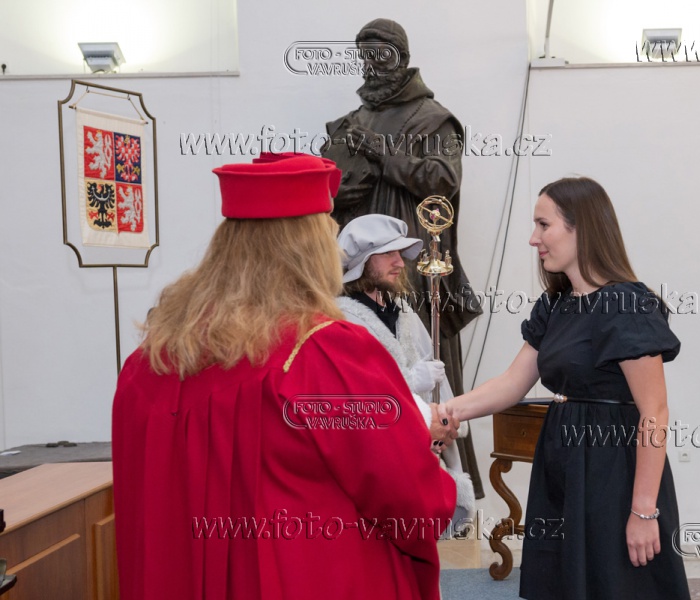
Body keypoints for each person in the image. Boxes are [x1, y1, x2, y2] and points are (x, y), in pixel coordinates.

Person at [112, 152, 457, 600]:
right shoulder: (323, 352)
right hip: (309, 578)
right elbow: (410, 496)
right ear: (311, 251)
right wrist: (426, 446)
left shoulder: (150, 361)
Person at [441, 177, 691, 599]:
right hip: (562, 465)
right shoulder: (555, 305)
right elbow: (512, 383)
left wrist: (643, 511)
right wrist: (445, 412)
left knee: (616, 584)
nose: (533, 238)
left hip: (614, 471)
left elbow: (654, 413)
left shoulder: (626, 304)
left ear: (582, 228)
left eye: (544, 225)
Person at [322, 18, 484, 497]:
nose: (371, 65)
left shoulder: (433, 119)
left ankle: (441, 487)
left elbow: (443, 182)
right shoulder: (348, 123)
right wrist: (345, 189)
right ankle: (365, 481)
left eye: (381, 55)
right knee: (357, 368)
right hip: (352, 271)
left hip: (411, 264)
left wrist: (383, 154)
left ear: (402, 57)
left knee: (423, 361)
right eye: (364, 56)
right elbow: (327, 189)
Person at [336, 214, 475, 533]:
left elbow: (434, 374)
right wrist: (411, 381)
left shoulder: (402, 312)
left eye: (399, 253)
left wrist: (446, 421)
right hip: (377, 461)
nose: (400, 262)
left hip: (422, 448)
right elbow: (357, 397)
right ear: (363, 261)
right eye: (388, 253)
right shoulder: (343, 319)